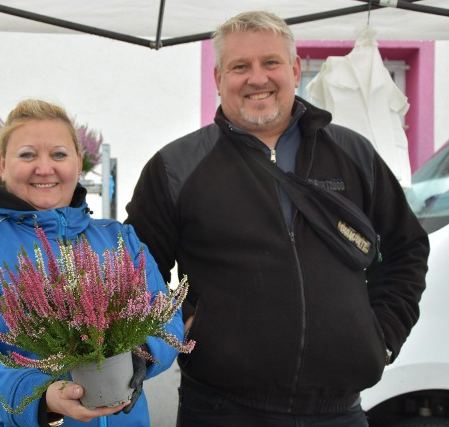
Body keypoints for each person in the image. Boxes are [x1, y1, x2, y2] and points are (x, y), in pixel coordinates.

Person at [125, 11, 430, 427]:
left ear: (295, 69)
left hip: (339, 410)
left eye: (270, 63)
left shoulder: (353, 153)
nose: (257, 78)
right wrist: (189, 329)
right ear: (218, 78)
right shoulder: (175, 167)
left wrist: (382, 335)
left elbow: (407, 247)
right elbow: (136, 275)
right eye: (239, 66)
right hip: (220, 409)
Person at [0, 99, 184, 427]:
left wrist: (138, 355)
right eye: (27, 154)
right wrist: (41, 397)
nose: (44, 168)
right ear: (2, 164)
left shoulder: (118, 239)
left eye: (59, 154)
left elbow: (164, 316)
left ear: (78, 162)